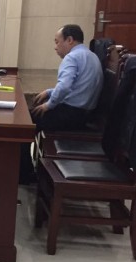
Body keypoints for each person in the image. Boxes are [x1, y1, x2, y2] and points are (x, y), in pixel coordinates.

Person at [19, 24, 103, 183]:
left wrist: (49, 105)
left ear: (69, 40)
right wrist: (50, 92)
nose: (55, 47)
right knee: (30, 117)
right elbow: (77, 86)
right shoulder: (91, 56)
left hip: (70, 114)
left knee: (23, 124)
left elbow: (64, 87)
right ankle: (28, 169)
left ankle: (25, 175)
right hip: (85, 114)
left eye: (57, 42)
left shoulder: (72, 57)